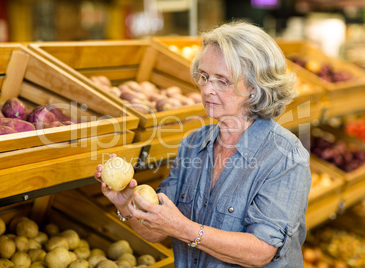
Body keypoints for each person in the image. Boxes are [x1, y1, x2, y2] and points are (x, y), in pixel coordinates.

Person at [95, 20, 311, 267]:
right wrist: (126, 204)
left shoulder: (285, 156)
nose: (207, 89)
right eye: (204, 76)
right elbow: (157, 231)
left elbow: (261, 251)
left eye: (222, 81)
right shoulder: (193, 144)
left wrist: (183, 228)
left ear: (254, 87)